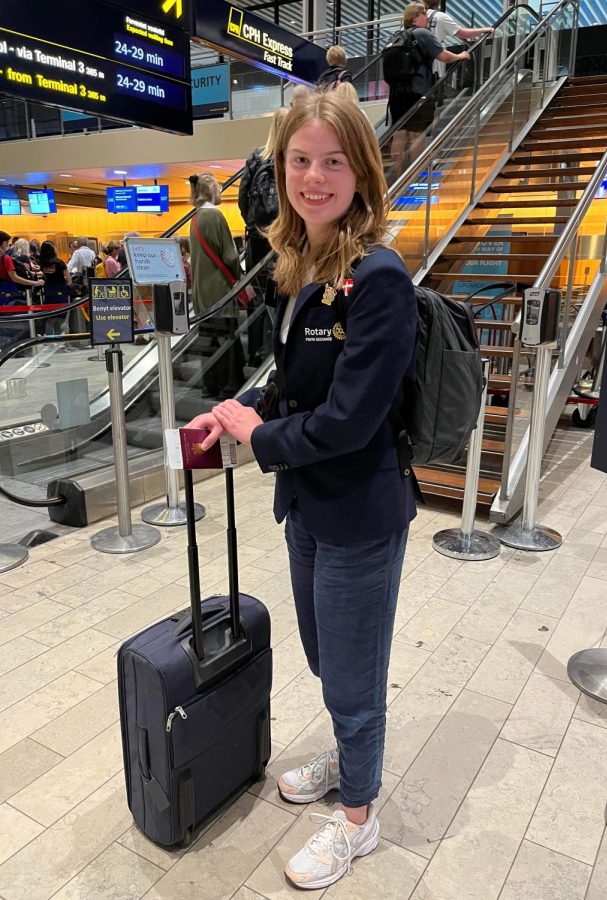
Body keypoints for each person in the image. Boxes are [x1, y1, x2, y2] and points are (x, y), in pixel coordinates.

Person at [188, 91, 418, 889]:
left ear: (361, 169)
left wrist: (261, 439)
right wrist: (241, 411)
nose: (314, 178)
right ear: (278, 168)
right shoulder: (301, 267)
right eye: (299, 160)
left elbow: (349, 422)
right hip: (307, 509)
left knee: (354, 676)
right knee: (327, 660)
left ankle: (359, 818)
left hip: (359, 509)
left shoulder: (378, 278)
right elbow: (295, 391)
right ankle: (346, 753)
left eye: (332, 161)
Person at [389, 3, 470, 167]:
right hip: (417, 91)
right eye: (424, 15)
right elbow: (444, 56)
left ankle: (395, 177)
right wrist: (460, 55)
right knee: (417, 134)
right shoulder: (422, 34)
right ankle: (414, 174)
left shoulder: (397, 36)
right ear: (415, 17)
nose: (427, 18)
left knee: (399, 134)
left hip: (396, 93)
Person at [238, 107, 288, 369]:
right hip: (286, 239)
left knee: (257, 297)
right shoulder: (292, 156)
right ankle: (280, 347)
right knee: (285, 292)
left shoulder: (256, 156)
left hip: (258, 242)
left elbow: (243, 200)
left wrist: (255, 226)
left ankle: (255, 353)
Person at [189, 172, 245, 398]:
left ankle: (208, 385)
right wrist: (240, 277)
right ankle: (227, 385)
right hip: (220, 291)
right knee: (226, 341)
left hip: (201, 293)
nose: (221, 193)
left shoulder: (194, 218)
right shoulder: (216, 216)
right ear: (211, 190)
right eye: (219, 189)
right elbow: (230, 256)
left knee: (208, 341)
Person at [425, 0, 494, 80]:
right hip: (434, 67)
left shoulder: (419, 16)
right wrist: (485, 30)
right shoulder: (440, 17)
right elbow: (463, 33)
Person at [38, 240, 72, 336]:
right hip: (61, 291)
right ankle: (62, 339)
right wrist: (68, 286)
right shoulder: (59, 262)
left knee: (50, 316)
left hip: (48, 292)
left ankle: (49, 339)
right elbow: (68, 278)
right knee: (62, 317)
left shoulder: (41, 263)